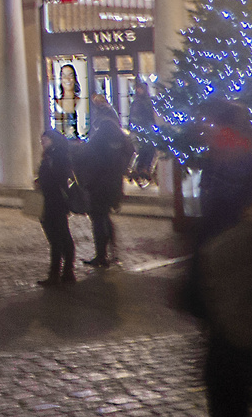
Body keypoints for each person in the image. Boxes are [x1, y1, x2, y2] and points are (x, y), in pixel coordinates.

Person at [185, 99, 252, 417]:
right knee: (234, 382)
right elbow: (210, 229)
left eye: (209, 125)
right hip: (223, 292)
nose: (203, 131)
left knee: (228, 381)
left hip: (248, 294)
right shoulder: (217, 167)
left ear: (227, 129)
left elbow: (251, 233)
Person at [80, 114, 131, 267]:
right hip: (114, 186)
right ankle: (111, 250)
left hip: (98, 186)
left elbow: (87, 160)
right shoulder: (121, 144)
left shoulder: (98, 143)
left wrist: (87, 182)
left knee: (98, 219)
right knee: (105, 216)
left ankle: (101, 255)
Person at [35, 129, 79, 286]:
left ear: (53, 140)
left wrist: (43, 181)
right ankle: (66, 271)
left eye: (45, 140)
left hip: (55, 201)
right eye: (42, 141)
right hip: (54, 200)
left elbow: (58, 177)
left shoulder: (56, 155)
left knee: (57, 238)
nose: (42, 143)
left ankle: (58, 273)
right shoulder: (54, 154)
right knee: (61, 236)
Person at [128, 81, 159, 185]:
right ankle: (141, 169)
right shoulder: (139, 102)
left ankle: (143, 169)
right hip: (141, 130)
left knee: (147, 149)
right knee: (144, 149)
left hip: (145, 129)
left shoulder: (142, 102)